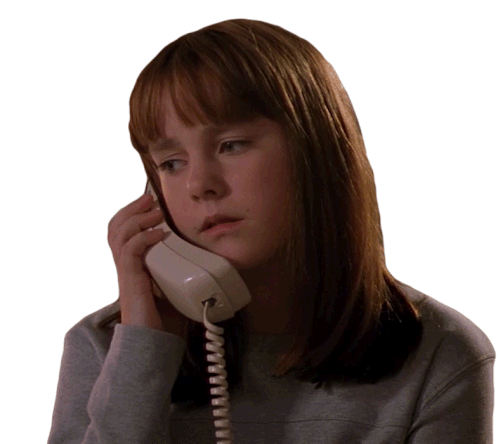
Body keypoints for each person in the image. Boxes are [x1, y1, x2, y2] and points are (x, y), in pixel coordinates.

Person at [45, 17, 496, 443]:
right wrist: (144, 352)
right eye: (171, 163)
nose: (200, 185)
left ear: (317, 153)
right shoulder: (103, 348)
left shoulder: (441, 353)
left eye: (231, 145)